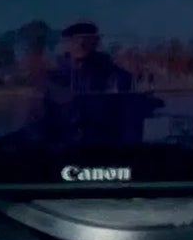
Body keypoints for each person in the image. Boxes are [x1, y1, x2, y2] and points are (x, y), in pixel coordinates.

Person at [30, 22, 138, 151]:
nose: (81, 44)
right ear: (66, 45)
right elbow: (39, 118)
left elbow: (127, 110)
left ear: (96, 42)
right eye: (75, 39)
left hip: (103, 144)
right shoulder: (53, 77)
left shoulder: (115, 74)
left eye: (87, 39)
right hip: (63, 146)